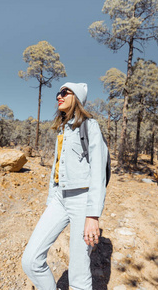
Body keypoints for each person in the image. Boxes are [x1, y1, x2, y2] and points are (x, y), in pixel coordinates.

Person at [22, 82, 108, 290]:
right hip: (59, 199)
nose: (58, 96)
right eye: (57, 93)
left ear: (76, 97)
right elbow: (56, 168)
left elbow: (98, 172)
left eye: (64, 92)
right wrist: (52, 200)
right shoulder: (62, 131)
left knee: (79, 275)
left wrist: (92, 215)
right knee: (31, 260)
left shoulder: (90, 126)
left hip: (82, 200)